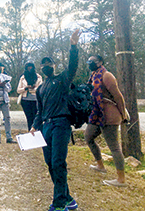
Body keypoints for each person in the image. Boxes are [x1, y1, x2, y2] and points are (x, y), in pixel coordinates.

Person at [30, 29, 81, 211]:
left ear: (53, 65)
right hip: (46, 127)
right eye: (43, 64)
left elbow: (73, 66)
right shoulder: (40, 89)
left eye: (48, 63)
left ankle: (59, 204)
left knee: (59, 162)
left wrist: (73, 46)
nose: (46, 66)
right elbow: (39, 111)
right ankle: (67, 198)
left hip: (61, 124)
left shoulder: (62, 80)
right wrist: (34, 126)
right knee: (50, 163)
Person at [84, 55, 128, 187]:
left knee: (114, 146)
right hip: (96, 114)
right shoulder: (93, 75)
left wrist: (123, 113)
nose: (90, 63)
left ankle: (121, 179)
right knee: (88, 137)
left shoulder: (107, 75)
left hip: (109, 115)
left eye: (93, 61)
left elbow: (118, 96)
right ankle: (100, 165)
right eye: (89, 61)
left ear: (101, 62)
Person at [16, 62, 43, 131]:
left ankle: (39, 134)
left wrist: (33, 89)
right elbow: (18, 90)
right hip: (25, 100)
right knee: (29, 118)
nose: (30, 69)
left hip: (35, 100)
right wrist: (25, 88)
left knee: (36, 118)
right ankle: (30, 135)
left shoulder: (39, 77)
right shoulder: (23, 78)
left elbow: (41, 89)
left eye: (31, 67)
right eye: (28, 67)